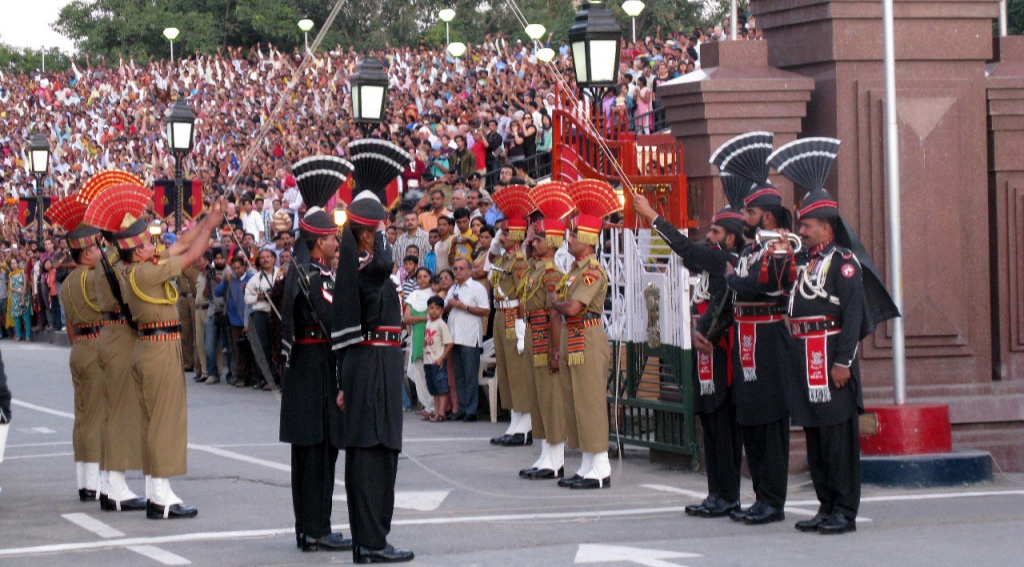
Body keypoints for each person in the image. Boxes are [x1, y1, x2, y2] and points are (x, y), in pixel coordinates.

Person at [766, 137, 891, 535]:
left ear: (826, 226)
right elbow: (788, 296)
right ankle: (824, 505)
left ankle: (844, 511)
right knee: (817, 436)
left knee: (838, 439)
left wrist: (843, 362)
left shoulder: (845, 264)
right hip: (807, 357)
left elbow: (853, 316)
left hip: (831, 358)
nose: (800, 229)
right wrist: (785, 259)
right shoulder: (806, 260)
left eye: (806, 224)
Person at [90, 182, 225, 520]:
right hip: (156, 347)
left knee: (152, 421)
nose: (154, 245)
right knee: (164, 422)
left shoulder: (136, 265)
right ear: (135, 251)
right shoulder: (145, 272)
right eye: (147, 243)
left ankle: (154, 491)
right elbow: (191, 254)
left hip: (149, 346)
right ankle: (161, 496)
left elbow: (179, 244)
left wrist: (206, 218)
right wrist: (209, 226)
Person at [634, 190, 744, 517]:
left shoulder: (726, 261)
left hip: (721, 352)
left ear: (731, 238)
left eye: (715, 232)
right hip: (703, 351)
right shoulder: (712, 261)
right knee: (709, 426)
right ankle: (716, 493)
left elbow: (686, 248)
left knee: (723, 429)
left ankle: (729, 496)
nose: (709, 236)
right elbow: (685, 255)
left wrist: (652, 215)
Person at [331, 141, 415, 563]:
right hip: (371, 364)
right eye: (381, 228)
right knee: (369, 452)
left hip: (378, 363)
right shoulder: (365, 267)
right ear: (366, 233)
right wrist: (373, 222)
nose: (388, 234)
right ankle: (370, 540)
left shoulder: (365, 266)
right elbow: (382, 263)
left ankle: (373, 537)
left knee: (382, 451)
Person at [708, 131, 792, 525]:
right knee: (751, 420)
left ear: (769, 215)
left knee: (770, 421)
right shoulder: (753, 249)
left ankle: (773, 500)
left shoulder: (779, 245)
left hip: (770, 340)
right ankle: (759, 496)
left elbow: (762, 283)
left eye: (751, 213)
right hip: (746, 339)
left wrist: (733, 278)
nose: (744, 218)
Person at [278, 156, 352, 552]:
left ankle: (306, 529)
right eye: (331, 238)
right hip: (316, 370)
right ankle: (318, 528)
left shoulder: (299, 272)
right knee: (319, 455)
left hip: (304, 370)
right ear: (318, 241)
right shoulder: (314, 276)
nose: (336, 242)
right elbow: (333, 314)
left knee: (306, 457)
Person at [548, 180, 619, 490]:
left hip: (587, 336)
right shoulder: (575, 270)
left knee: (589, 401)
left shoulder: (591, 271)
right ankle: (588, 464)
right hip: (573, 337)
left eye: (575, 234)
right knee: (575, 401)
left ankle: (600, 466)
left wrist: (555, 302)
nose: (569, 237)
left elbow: (574, 307)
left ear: (589, 238)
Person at [51, 197, 108, 504]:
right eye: (97, 247)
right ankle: (98, 482)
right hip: (98, 343)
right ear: (86, 253)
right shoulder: (93, 277)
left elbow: (71, 325)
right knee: (100, 416)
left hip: (80, 348)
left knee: (83, 416)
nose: (101, 252)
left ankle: (85, 482)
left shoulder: (70, 281)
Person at [518, 183, 574, 479]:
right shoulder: (536, 268)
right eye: (533, 237)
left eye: (539, 239)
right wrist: (528, 247)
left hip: (545, 335)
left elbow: (555, 315)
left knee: (550, 397)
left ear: (551, 242)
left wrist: (555, 350)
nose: (533, 242)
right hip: (532, 333)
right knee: (537, 396)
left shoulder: (552, 273)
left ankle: (556, 458)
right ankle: (545, 454)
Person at [488, 185, 533, 447]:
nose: (501, 235)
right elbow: (487, 263)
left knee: (517, 372)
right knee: (505, 370)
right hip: (499, 315)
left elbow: (524, 295)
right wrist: (497, 242)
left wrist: (520, 325)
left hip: (512, 314)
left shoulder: (518, 262)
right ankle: (515, 421)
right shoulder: (504, 259)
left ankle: (524, 425)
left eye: (505, 232)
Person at [444, 257, 489, 422]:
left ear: (469, 271)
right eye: (455, 268)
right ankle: (461, 408)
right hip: (454, 337)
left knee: (470, 375)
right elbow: (444, 307)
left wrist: (465, 307)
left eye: (461, 268)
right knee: (459, 376)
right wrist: (450, 305)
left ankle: (471, 410)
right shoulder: (453, 287)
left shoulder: (477, 288)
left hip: (469, 337)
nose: (457, 271)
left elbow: (485, 310)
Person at [244, 248, 281, 391]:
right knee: (263, 346)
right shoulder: (255, 278)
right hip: (261, 314)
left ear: (273, 258)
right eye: (262, 257)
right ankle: (266, 378)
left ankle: (279, 377)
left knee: (277, 346)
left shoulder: (281, 274)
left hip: (277, 314)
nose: (265, 259)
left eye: (268, 257)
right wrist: (258, 297)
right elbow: (247, 298)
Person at [216, 256, 254, 388]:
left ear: (244, 267)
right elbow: (217, 292)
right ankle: (240, 375)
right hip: (234, 319)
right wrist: (225, 282)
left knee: (248, 350)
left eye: (239, 268)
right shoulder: (231, 279)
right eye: (234, 269)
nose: (237, 271)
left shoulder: (250, 278)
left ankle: (248, 377)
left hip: (248, 318)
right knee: (237, 350)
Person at [403, 268, 435, 417]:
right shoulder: (413, 295)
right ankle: (427, 405)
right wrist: (423, 318)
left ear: (430, 278)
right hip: (417, 336)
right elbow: (406, 318)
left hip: (433, 336)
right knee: (418, 369)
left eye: (425, 276)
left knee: (432, 371)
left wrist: (420, 319)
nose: (422, 279)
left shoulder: (435, 294)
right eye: (419, 277)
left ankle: (435, 405)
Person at [421, 295, 453, 422]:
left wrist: (441, 358)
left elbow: (450, 343)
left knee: (441, 388)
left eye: (437, 308)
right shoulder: (428, 323)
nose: (433, 310)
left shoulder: (441, 324)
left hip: (437, 361)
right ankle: (436, 410)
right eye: (431, 307)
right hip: (428, 361)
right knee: (434, 389)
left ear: (442, 311)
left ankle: (441, 413)